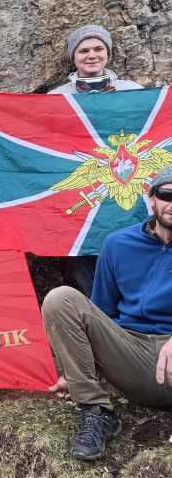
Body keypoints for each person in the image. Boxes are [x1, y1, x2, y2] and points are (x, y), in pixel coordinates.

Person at [0, 24, 142, 297]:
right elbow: (26, 131)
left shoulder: (134, 92)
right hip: (77, 202)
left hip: (124, 199)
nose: (91, 55)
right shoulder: (57, 98)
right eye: (83, 50)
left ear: (108, 53)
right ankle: (86, 331)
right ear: (73, 57)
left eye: (98, 49)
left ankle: (130, 332)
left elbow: (159, 126)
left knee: (130, 271)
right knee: (79, 277)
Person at [41, 165, 172, 460]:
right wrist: (80, 374)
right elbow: (100, 315)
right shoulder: (117, 243)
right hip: (132, 353)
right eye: (167, 194)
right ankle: (96, 410)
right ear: (152, 199)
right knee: (60, 299)